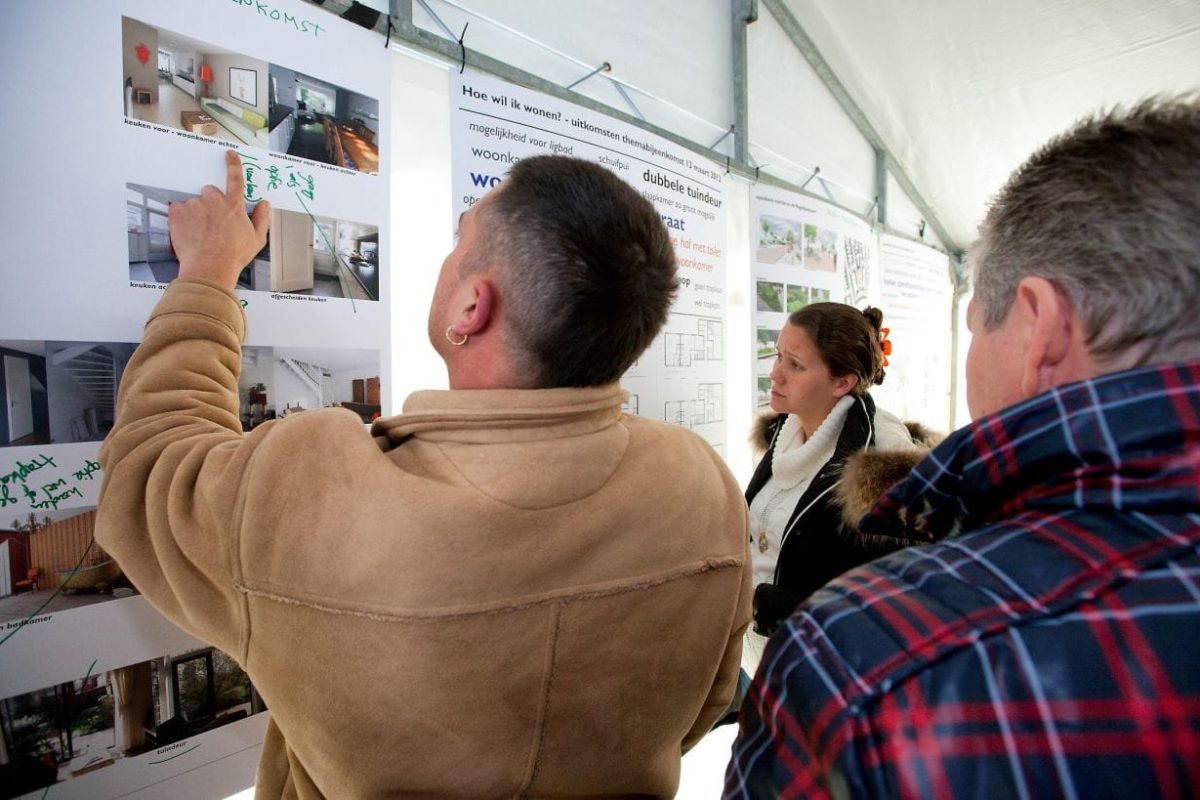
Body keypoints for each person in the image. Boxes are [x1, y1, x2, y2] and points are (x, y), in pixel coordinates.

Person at [95, 151, 752, 798]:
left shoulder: (322, 498)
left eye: (460, 235)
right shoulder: (701, 485)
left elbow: (150, 466)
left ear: (472, 307)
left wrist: (207, 276)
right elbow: (699, 708)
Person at [725, 96, 1200, 798]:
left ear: (1040, 328)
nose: (777, 374)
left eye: (977, 321)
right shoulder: (781, 445)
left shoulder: (865, 658)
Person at [742, 303, 927, 671]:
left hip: (826, 676)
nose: (775, 374)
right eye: (779, 356)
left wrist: (787, 607)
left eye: (795, 364)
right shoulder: (786, 433)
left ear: (842, 383)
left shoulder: (883, 463)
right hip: (763, 662)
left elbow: (893, 604)